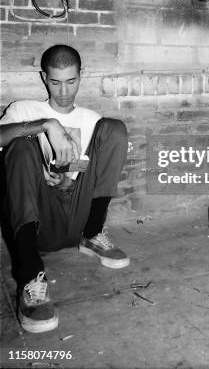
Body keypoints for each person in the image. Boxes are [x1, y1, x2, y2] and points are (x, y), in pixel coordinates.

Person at [0, 45, 129, 334]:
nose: (63, 91)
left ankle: (93, 234)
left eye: (71, 81)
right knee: (20, 146)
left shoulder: (91, 119)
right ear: (44, 77)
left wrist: (69, 182)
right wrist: (46, 125)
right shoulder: (24, 109)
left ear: (81, 77)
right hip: (36, 219)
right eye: (56, 82)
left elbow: (87, 170)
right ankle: (31, 276)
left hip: (77, 211)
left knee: (115, 127)